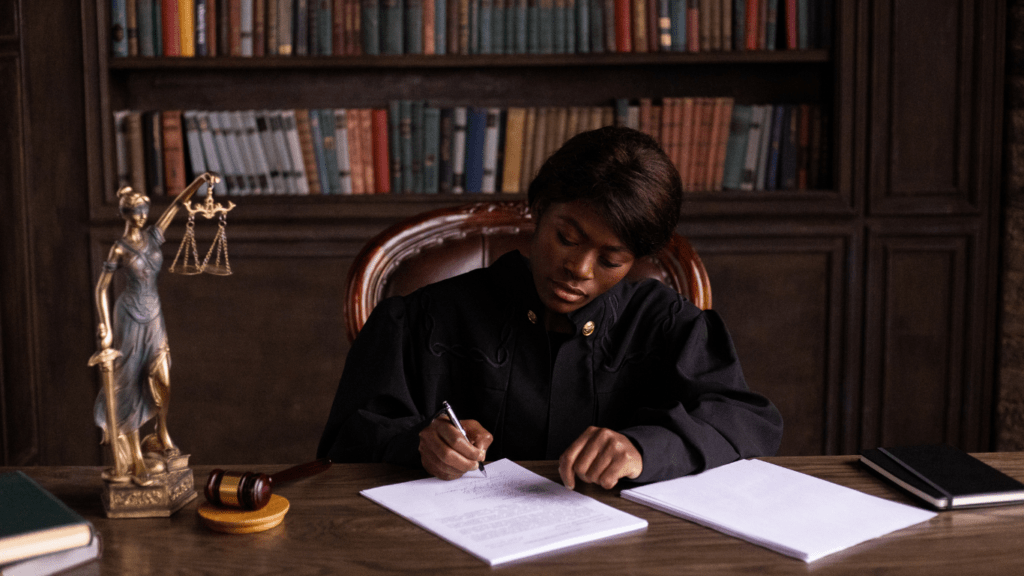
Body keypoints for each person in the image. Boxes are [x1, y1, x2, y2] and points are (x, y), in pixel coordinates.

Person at [317, 127, 782, 489]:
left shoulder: (665, 322)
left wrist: (644, 449)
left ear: (636, 259)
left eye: (610, 259)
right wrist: (419, 443)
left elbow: (748, 420)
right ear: (538, 210)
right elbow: (343, 445)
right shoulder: (423, 318)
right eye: (567, 237)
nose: (578, 268)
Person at [91, 173, 216, 485]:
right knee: (129, 381)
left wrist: (199, 182)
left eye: (145, 210)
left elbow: (177, 205)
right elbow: (101, 287)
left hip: (154, 313)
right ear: (125, 214)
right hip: (129, 315)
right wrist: (104, 325)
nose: (143, 216)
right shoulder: (119, 249)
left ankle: (161, 432)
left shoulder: (154, 235)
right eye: (137, 212)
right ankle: (134, 458)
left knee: (162, 377)